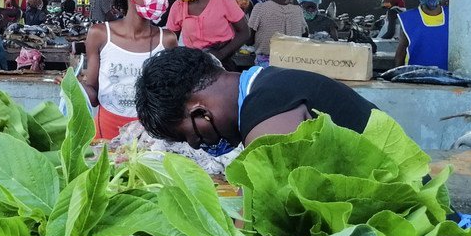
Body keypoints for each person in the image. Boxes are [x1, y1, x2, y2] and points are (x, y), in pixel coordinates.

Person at [134, 46, 378, 153]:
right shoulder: (266, 83)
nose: (197, 145)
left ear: (199, 112)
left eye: (190, 136)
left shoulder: (266, 113)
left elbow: (259, 216)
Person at [82, 0, 179, 140]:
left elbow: (171, 98)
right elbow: (93, 97)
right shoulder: (100, 35)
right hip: (105, 135)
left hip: (151, 139)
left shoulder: (167, 40)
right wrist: (75, 88)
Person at [164, 0, 251, 64]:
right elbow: (170, 43)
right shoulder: (178, 7)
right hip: (195, 63)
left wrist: (220, 54)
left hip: (224, 60)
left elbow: (245, 32)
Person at [246, 0, 306, 66]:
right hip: (294, 64)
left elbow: (249, 40)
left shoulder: (260, 8)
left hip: (267, 64)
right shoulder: (298, 10)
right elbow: (305, 34)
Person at [395, 0, 449, 69]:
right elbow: (401, 50)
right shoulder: (407, 18)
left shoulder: (453, 17)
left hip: (446, 77)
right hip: (413, 77)